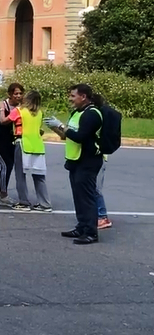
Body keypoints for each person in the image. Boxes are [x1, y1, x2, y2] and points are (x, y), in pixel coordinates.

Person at [50, 84, 103, 245]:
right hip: (75, 160)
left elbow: (80, 136)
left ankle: (91, 233)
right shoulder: (77, 113)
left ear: (83, 97)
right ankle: (82, 227)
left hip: (88, 161)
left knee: (86, 198)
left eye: (73, 96)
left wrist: (60, 125)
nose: (70, 99)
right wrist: (56, 128)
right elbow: (68, 136)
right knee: (78, 197)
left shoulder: (92, 114)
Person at [7, 90, 51, 212]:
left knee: (20, 175)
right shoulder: (40, 113)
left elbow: (4, 120)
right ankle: (45, 204)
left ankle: (24, 202)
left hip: (23, 144)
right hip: (37, 145)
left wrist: (1, 110)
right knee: (39, 175)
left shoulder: (19, 111)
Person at [0, 83, 24, 205]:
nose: (18, 96)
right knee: (6, 165)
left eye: (20, 93)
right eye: (16, 93)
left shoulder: (22, 108)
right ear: (10, 94)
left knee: (7, 166)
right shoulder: (1, 106)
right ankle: (3, 195)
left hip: (12, 142)